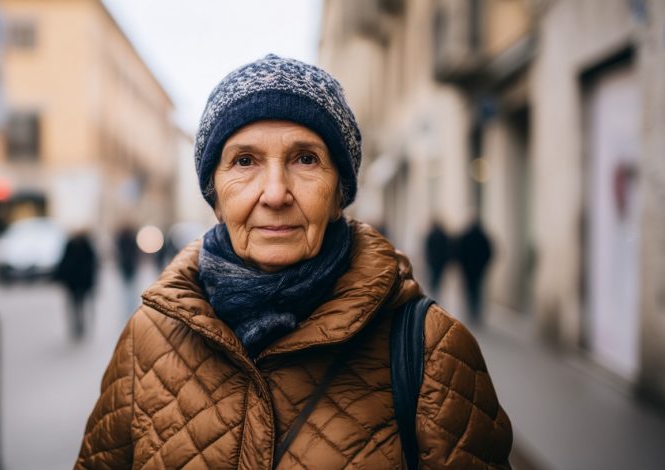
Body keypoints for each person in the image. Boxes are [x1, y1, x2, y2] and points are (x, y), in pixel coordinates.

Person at [75, 55, 511, 469]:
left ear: (339, 193)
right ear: (215, 197)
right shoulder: (146, 339)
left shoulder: (430, 347)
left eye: (305, 159)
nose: (276, 192)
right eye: (244, 161)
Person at [55, 231, 98, 340]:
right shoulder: (77, 245)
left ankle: (79, 327)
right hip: (76, 283)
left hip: (78, 283)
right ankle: (78, 327)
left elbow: (92, 266)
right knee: (77, 306)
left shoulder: (84, 246)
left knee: (78, 305)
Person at [455, 217, 494, 325]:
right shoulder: (483, 236)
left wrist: (462, 266)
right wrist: (483, 266)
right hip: (477, 270)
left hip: (468, 270)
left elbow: (459, 253)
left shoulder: (465, 236)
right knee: (477, 290)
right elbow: (489, 253)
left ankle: (471, 312)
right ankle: (476, 312)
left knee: (469, 290)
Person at [424, 218, 451, 296]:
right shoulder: (444, 235)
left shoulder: (431, 235)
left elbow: (428, 249)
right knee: (437, 277)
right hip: (440, 262)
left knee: (433, 276)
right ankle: (435, 290)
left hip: (433, 261)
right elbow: (447, 250)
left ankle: (433, 291)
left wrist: (429, 258)